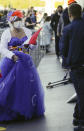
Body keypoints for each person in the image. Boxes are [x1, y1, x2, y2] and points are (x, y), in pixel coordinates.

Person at [0, 10, 45, 122]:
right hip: (9, 64)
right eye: (16, 20)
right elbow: (2, 48)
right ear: (11, 21)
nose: (18, 22)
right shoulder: (6, 33)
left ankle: (23, 111)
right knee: (7, 87)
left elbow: (30, 47)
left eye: (19, 19)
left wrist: (33, 44)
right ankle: (9, 111)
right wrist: (12, 55)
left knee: (25, 87)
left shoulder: (27, 31)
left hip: (25, 63)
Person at [61, 3, 84, 131]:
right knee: (81, 94)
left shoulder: (68, 29)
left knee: (81, 94)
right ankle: (77, 116)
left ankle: (80, 121)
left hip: (76, 67)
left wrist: (66, 63)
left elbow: (63, 50)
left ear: (70, 15)